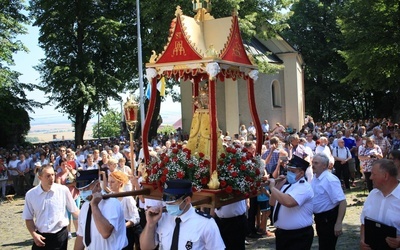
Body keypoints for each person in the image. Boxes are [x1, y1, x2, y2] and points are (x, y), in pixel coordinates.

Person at [140, 179, 225, 250]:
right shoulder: (162, 218)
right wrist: (150, 224)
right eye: (166, 201)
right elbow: (145, 248)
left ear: (187, 200)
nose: (168, 205)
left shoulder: (205, 223)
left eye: (172, 202)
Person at [22, 164, 80, 250]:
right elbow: (28, 218)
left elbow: (74, 211)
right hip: (41, 235)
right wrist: (34, 234)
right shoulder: (31, 194)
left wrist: (89, 222)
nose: (52, 178)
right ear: (40, 177)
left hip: (59, 235)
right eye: (48, 176)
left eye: (53, 174)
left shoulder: (63, 190)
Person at [268, 155, 314, 250]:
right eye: (288, 170)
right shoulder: (287, 185)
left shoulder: (303, 187)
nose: (289, 173)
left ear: (301, 173)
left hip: (298, 235)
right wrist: (278, 185)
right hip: (283, 234)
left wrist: (272, 188)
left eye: (292, 171)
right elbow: (272, 202)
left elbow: (289, 202)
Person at [74, 180, 128, 250]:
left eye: (86, 189)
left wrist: (94, 206)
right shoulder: (85, 206)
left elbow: (105, 233)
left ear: (98, 185)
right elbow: (81, 235)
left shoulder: (113, 204)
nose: (83, 192)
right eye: (81, 190)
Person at [360, 159, 400, 249]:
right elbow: (364, 223)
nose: (370, 178)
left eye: (373, 174)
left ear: (385, 176)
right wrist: (363, 240)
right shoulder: (373, 194)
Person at [311, 153, 347, 250]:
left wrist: (338, 223)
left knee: (327, 246)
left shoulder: (329, 179)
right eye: (312, 162)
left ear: (324, 165)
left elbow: (342, 201)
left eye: (316, 163)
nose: (313, 165)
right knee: (323, 245)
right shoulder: (315, 178)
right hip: (319, 219)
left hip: (328, 219)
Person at [108, 171, 141, 250]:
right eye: (109, 182)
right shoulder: (108, 198)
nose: (110, 184)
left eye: (112, 182)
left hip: (126, 232)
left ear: (120, 183)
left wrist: (124, 225)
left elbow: (136, 217)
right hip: (111, 232)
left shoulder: (127, 198)